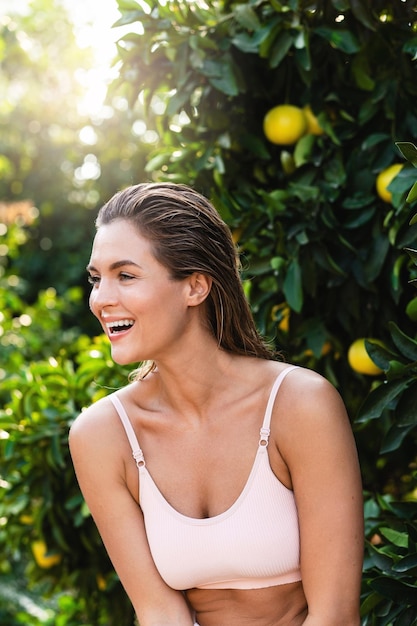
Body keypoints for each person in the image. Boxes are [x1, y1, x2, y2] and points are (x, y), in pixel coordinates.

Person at [69, 182, 364, 626]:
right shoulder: (101, 436)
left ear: (195, 287)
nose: (101, 299)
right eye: (97, 278)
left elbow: (335, 614)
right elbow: (158, 611)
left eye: (125, 275)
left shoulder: (299, 405)